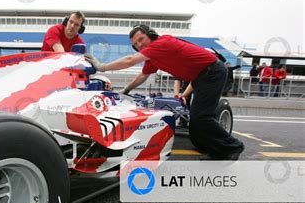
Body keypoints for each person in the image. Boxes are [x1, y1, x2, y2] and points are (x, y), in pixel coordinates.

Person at [85, 25, 244, 160]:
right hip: (201, 76)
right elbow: (143, 75)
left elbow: (130, 60)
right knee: (196, 118)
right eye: (136, 44)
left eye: (141, 39)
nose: (139, 45)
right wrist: (126, 90)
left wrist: (102, 67)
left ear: (150, 35)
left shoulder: (162, 42)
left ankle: (234, 146)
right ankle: (212, 148)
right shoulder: (153, 57)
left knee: (202, 117)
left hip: (212, 72)